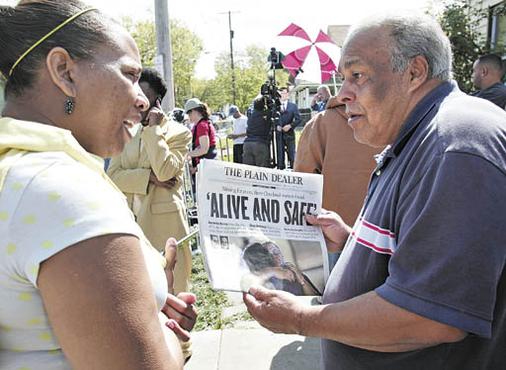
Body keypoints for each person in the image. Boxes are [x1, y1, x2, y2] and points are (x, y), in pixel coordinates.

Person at [244, 12, 506, 370]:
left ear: (414, 72)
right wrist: (353, 241)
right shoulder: (422, 135)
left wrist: (302, 320)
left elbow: (431, 316)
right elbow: (423, 254)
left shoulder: (456, 143)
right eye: (341, 78)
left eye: (357, 75)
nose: (342, 94)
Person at [0, 1, 196, 369]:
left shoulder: (17, 172)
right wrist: (165, 332)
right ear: (64, 71)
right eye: (129, 74)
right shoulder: (61, 191)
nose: (142, 99)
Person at [107, 68, 193, 294]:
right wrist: (148, 177)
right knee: (139, 293)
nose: (137, 102)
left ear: (156, 101)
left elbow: (165, 172)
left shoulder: (179, 133)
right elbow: (112, 176)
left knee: (172, 290)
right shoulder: (126, 132)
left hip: (165, 225)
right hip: (130, 223)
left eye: (143, 96)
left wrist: (154, 130)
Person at [294, 96, 380, 268]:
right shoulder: (395, 121)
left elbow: (301, 183)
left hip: (332, 235)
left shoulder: (320, 123)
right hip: (384, 237)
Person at [241, 241, 319, 296]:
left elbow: (317, 299)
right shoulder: (263, 279)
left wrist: (302, 280)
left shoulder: (294, 272)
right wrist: (272, 271)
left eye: (276, 253)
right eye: (271, 255)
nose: (276, 257)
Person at [185, 97, 217, 173]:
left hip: (207, 168)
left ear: (195, 111)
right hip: (204, 167)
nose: (188, 116)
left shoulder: (202, 125)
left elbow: (204, 149)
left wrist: (186, 155)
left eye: (189, 113)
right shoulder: (199, 125)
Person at [276, 86, 301, 170]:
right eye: (281, 93)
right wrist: (277, 126)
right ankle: (281, 169)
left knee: (292, 154)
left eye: (284, 93)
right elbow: (272, 118)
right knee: (280, 155)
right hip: (279, 135)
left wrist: (290, 126)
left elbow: (298, 119)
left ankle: (294, 169)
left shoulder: (292, 106)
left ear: (288, 94)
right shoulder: (276, 106)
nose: (283, 95)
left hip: (289, 134)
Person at [243, 97, 271, 168]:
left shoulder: (251, 116)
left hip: (247, 144)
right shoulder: (265, 115)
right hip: (260, 143)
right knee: (262, 170)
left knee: (249, 171)